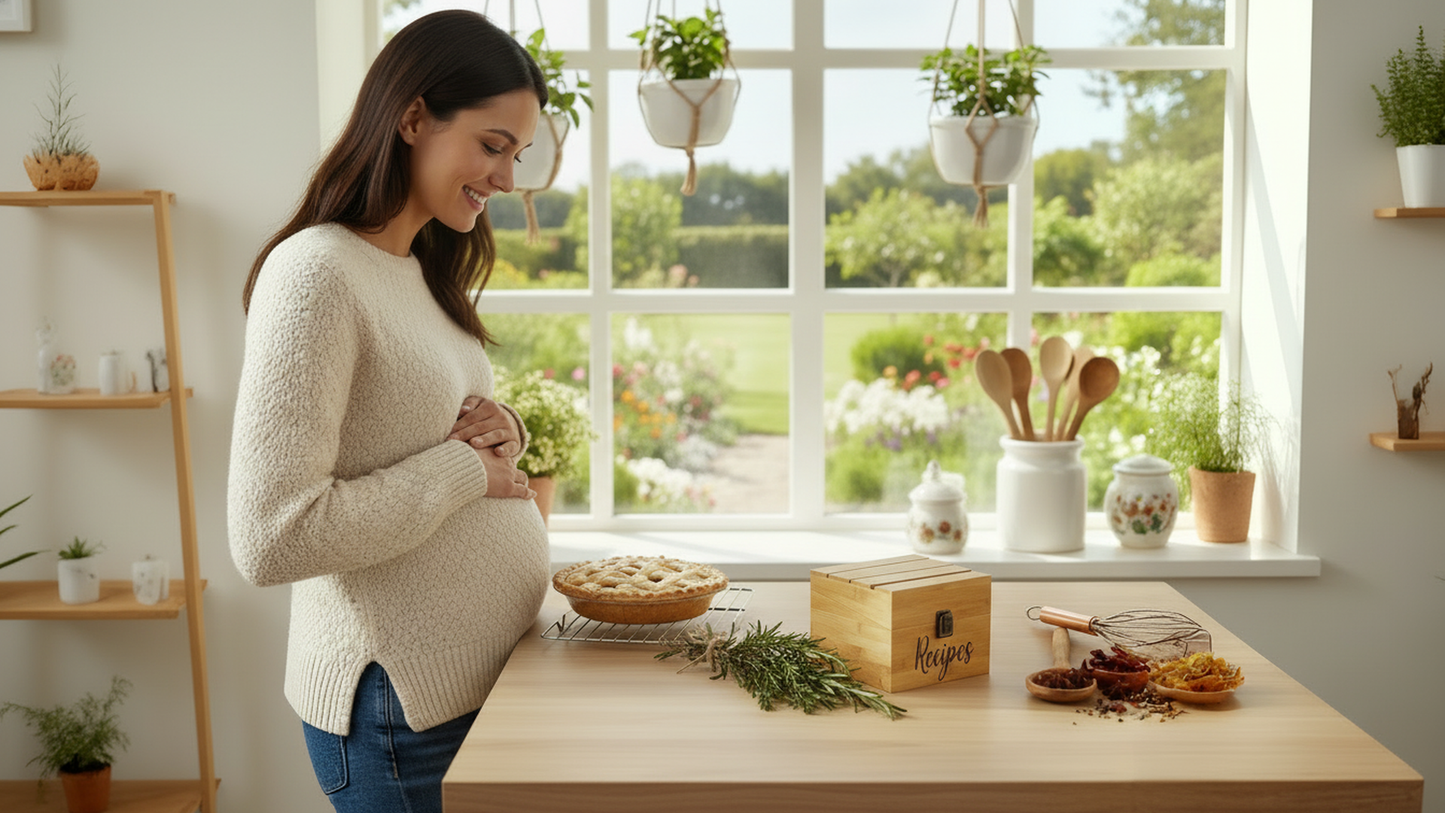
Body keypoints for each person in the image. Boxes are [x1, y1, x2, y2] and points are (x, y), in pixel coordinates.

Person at [227, 11, 548, 812]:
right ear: (413, 118)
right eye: (493, 144)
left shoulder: (415, 265)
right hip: (401, 715)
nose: (506, 179)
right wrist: (462, 471)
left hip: (470, 687)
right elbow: (271, 535)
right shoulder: (316, 274)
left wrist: (502, 432)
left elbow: (420, 422)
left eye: (517, 153)